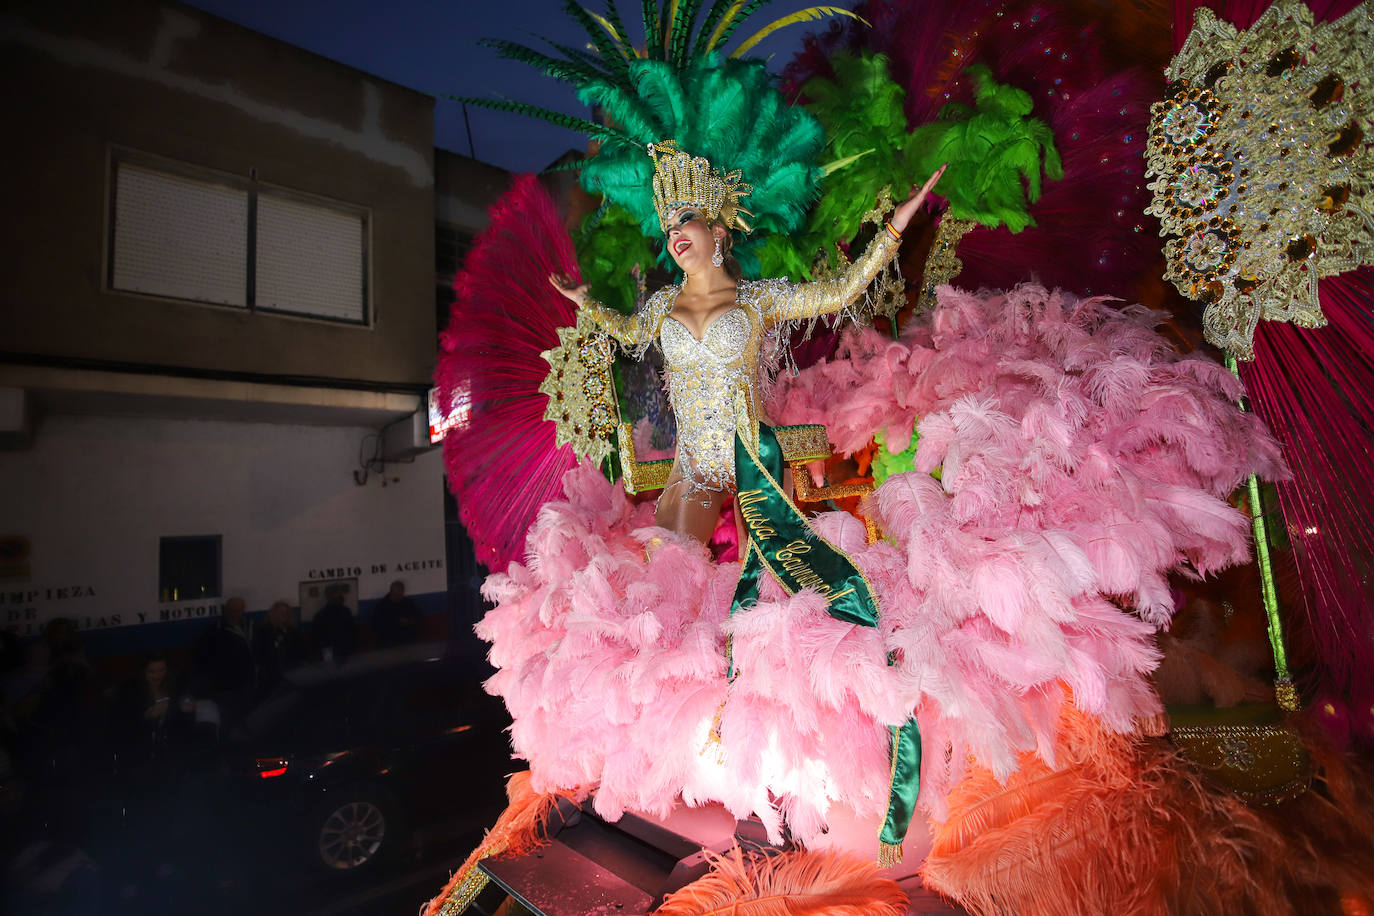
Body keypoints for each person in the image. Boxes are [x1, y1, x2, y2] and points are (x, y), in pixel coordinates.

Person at [553, 142, 945, 544]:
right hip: (694, 465)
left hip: (754, 458)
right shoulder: (662, 305)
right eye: (668, 229)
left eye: (685, 219)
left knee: (764, 583)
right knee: (668, 562)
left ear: (717, 230)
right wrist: (585, 301)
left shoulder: (757, 300)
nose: (674, 234)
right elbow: (630, 332)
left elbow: (840, 293)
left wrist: (895, 227)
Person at [192, 597, 255, 725]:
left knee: (249, 719)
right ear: (225, 611)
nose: (235, 614)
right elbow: (204, 661)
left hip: (248, 684)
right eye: (232, 610)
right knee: (228, 721)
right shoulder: (215, 632)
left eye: (238, 610)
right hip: (225, 688)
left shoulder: (251, 627)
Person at [252, 600, 306, 692]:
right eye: (281, 612)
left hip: (290, 673)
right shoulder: (265, 631)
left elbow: (299, 650)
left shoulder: (293, 631)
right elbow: (258, 653)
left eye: (286, 612)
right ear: (274, 614)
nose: (284, 615)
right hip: (270, 675)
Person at [311, 587, 357, 661]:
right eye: (336, 593)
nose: (339, 595)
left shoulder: (345, 612)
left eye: (339, 593)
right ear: (329, 596)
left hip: (343, 648)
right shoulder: (322, 615)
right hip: (331, 649)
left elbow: (352, 631)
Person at [371, 580, 421, 647]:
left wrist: (409, 621)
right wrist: (396, 623)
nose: (399, 597)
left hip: (408, 642)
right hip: (389, 643)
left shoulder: (409, 604)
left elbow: (419, 618)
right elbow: (377, 626)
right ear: (391, 592)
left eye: (400, 594)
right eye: (396, 595)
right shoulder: (382, 607)